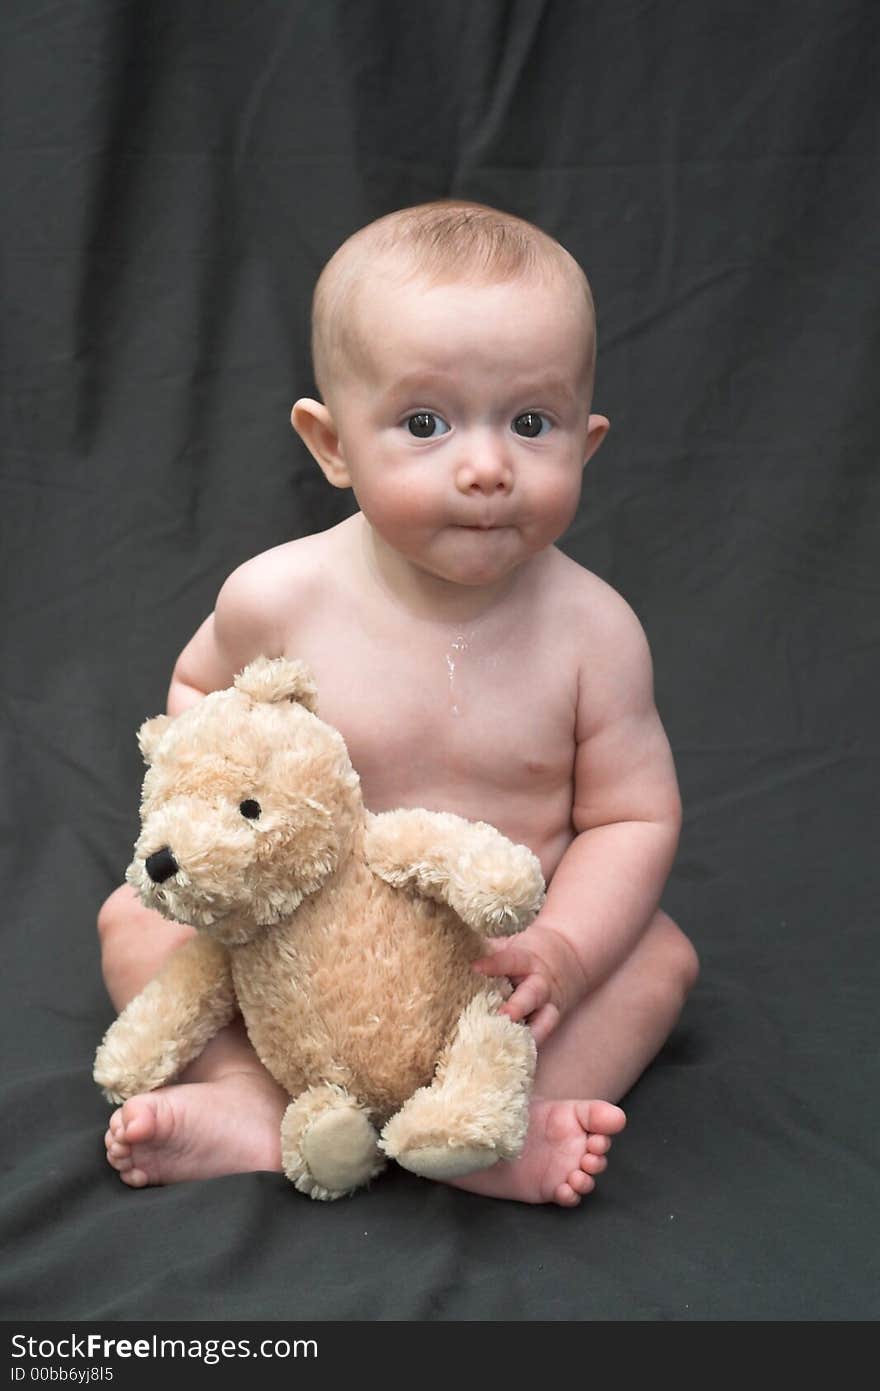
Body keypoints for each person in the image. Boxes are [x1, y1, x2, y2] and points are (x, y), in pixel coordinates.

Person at [99, 200, 699, 1206]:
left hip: (490, 980)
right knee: (134, 918)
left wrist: (564, 948)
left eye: (531, 422)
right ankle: (252, 1096)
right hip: (300, 960)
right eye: (425, 423)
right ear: (332, 443)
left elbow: (633, 813)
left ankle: (493, 1118)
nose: (484, 465)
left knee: (658, 959)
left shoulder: (596, 633)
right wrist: (223, 816)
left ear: (587, 443)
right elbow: (201, 694)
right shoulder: (278, 596)